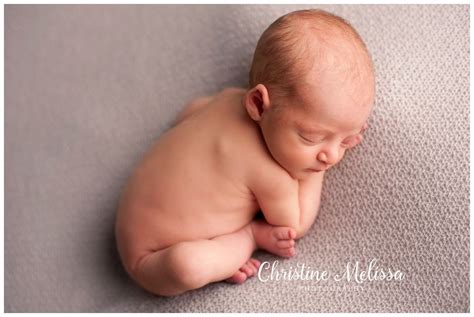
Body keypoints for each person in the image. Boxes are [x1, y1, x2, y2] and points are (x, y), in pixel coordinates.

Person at [115, 9, 375, 297]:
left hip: (130, 217)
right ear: (259, 104)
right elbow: (296, 224)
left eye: (346, 140)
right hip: (151, 261)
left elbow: (188, 112)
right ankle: (248, 237)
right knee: (187, 266)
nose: (332, 156)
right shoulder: (272, 176)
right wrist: (317, 174)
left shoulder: (227, 99)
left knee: (187, 259)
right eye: (312, 138)